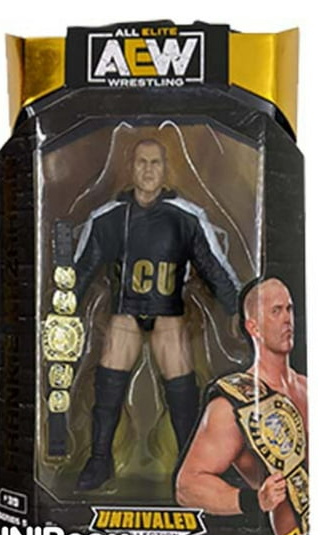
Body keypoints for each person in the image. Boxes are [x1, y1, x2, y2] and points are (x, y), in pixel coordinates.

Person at [73, 138, 240, 490]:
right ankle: (100, 458)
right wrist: (63, 309)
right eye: (141, 162)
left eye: (155, 162)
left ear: (166, 169)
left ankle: (193, 463)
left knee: (180, 375)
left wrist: (239, 310)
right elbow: (81, 271)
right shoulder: (107, 218)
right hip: (125, 312)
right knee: (110, 369)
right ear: (130, 167)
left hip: (168, 312)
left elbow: (214, 268)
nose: (148, 169)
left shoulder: (187, 217)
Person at [175, 278, 308, 535]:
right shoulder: (232, 404)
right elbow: (188, 486)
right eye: (276, 311)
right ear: (253, 327)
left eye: (289, 309)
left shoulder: (308, 387)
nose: (287, 319)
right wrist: (253, 500)